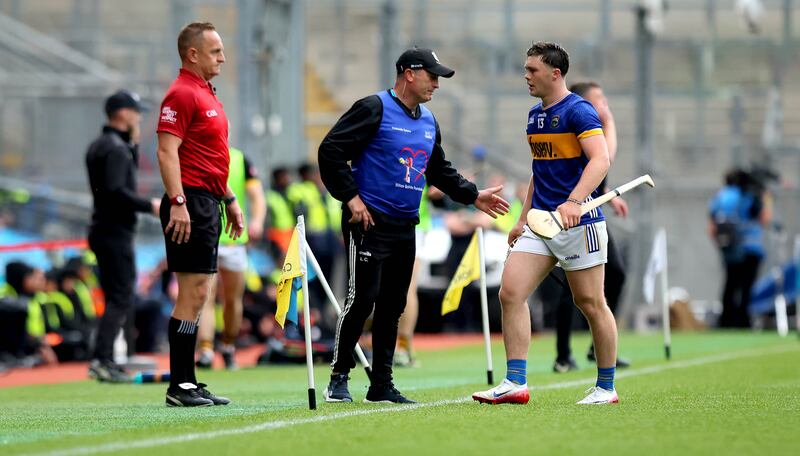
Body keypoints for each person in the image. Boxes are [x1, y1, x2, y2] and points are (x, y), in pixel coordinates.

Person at [318, 47, 510, 404]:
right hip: (368, 221)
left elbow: (438, 169)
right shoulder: (373, 108)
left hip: (406, 225)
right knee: (362, 300)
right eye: (432, 76)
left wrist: (473, 195)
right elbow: (330, 151)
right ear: (409, 72)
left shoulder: (428, 120)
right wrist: (352, 199)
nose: (436, 84)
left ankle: (382, 384)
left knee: (394, 305)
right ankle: (338, 377)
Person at [472, 42, 618, 406]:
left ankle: (606, 387)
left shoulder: (579, 111)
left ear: (555, 73)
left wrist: (574, 201)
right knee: (510, 292)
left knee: (591, 303)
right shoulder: (535, 116)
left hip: (578, 224)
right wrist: (522, 219)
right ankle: (515, 383)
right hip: (540, 223)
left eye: (532, 70)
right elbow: (540, 170)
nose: (526, 76)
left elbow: (600, 161)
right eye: (525, 69)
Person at [156, 21, 244, 407]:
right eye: (215, 51)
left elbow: (211, 159)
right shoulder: (181, 94)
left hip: (207, 202)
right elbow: (166, 151)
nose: (223, 58)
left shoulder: (206, 94)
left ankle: (189, 380)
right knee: (192, 293)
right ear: (193, 54)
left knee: (201, 292)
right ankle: (179, 384)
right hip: (188, 202)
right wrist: (178, 202)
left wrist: (230, 200)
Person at [551, 81, 631, 373]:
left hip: (590, 212)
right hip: (570, 215)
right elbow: (605, 157)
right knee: (573, 289)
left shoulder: (588, 128)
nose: (604, 105)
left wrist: (608, 199)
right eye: (599, 99)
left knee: (613, 277)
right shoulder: (577, 123)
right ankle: (563, 354)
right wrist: (609, 121)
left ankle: (597, 347)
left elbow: (600, 169)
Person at [85, 90, 159, 383]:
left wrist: (134, 145)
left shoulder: (101, 144)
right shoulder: (115, 148)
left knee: (117, 295)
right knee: (121, 295)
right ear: (122, 113)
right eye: (135, 111)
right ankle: (103, 359)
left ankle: (106, 357)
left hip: (103, 229)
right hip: (115, 231)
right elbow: (117, 192)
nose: (139, 116)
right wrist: (150, 205)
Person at [197, 147, 266, 370]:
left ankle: (218, 348)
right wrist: (256, 221)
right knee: (217, 298)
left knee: (220, 299)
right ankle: (215, 349)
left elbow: (257, 196)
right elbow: (257, 197)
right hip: (218, 237)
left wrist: (257, 221)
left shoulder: (235, 157)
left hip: (224, 238)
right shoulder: (228, 155)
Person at [708, 168, 771, 328]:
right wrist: (766, 197)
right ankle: (743, 321)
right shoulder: (751, 195)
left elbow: (712, 225)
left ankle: (726, 321)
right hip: (752, 246)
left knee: (730, 284)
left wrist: (721, 243)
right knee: (746, 286)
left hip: (730, 247)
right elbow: (764, 219)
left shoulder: (721, 196)